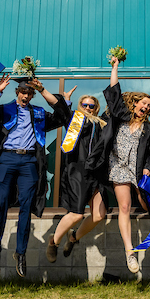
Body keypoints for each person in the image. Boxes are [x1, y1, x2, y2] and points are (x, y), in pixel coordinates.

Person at [0, 74, 69, 278]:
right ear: (17, 92)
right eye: (23, 92)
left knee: (26, 208)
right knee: (1, 205)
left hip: (29, 162)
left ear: (32, 95)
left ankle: (20, 254)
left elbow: (62, 117)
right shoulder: (5, 110)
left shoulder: (38, 113)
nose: (25, 95)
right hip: (7, 160)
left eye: (29, 93)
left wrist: (47, 92)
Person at [85, 56, 150, 274]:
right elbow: (115, 92)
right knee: (124, 207)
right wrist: (115, 68)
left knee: (146, 203)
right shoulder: (120, 117)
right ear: (135, 104)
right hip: (117, 168)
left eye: (149, 106)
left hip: (136, 171)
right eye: (143, 103)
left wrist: (148, 168)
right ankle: (130, 253)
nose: (145, 106)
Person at [45, 88, 109, 262]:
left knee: (99, 215)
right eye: (85, 104)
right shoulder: (74, 119)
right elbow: (56, 104)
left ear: (96, 108)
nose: (88, 107)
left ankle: (73, 237)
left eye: (91, 105)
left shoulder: (102, 123)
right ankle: (54, 242)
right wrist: (41, 88)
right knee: (77, 214)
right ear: (80, 106)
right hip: (78, 171)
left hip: (97, 173)